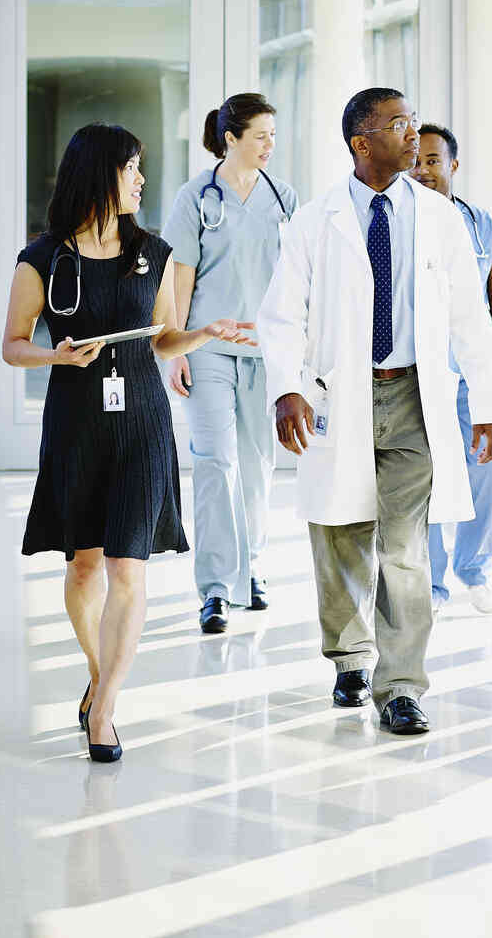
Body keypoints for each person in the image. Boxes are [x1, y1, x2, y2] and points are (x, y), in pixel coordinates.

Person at [257, 87, 492, 735]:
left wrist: (485, 400)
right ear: (360, 142)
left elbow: (468, 316)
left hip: (412, 394)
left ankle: (399, 685)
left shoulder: (438, 217)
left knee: (404, 548)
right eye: (398, 124)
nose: (412, 135)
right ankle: (349, 654)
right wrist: (286, 387)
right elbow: (282, 314)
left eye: (414, 121)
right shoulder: (314, 221)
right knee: (339, 535)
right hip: (338, 394)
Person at [2, 123, 255, 763]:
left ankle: (106, 707)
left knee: (127, 568)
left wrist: (204, 334)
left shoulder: (155, 251)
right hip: (75, 422)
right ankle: (97, 671)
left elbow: (162, 337)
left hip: (142, 421)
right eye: (132, 168)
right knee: (84, 565)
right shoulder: (43, 259)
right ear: (99, 174)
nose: (142, 180)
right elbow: (12, 345)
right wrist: (52, 357)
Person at [160, 93, 297, 635]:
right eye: (260, 135)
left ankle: (253, 568)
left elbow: (292, 281)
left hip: (265, 352)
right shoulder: (195, 197)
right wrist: (176, 347)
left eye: (273, 135)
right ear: (231, 138)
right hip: (208, 350)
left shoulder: (283, 198)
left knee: (258, 467)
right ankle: (216, 588)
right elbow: (180, 278)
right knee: (217, 463)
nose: (270, 145)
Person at [411, 123, 492, 614]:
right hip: (418, 370)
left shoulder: (484, 227)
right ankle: (434, 584)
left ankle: (473, 568)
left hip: (473, 371)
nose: (423, 170)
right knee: (430, 474)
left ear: (453, 166)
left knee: (491, 465)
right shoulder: (399, 222)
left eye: (433, 160)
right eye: (416, 160)